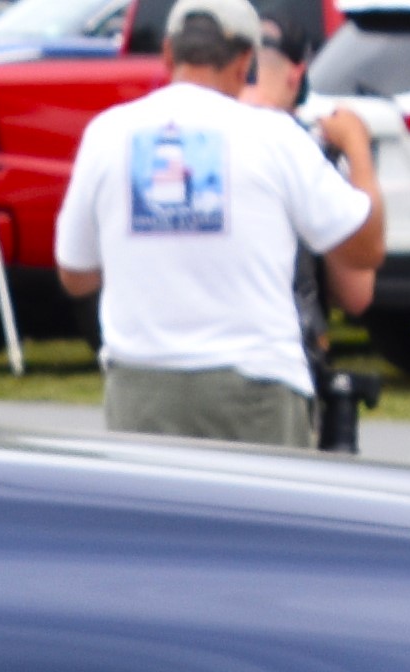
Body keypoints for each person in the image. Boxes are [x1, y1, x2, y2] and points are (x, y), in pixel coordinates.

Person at [51, 0, 380, 447]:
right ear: (246, 61)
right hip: (255, 389)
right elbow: (363, 249)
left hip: (141, 388)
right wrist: (358, 149)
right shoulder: (275, 137)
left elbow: (75, 274)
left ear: (168, 54)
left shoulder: (107, 134)